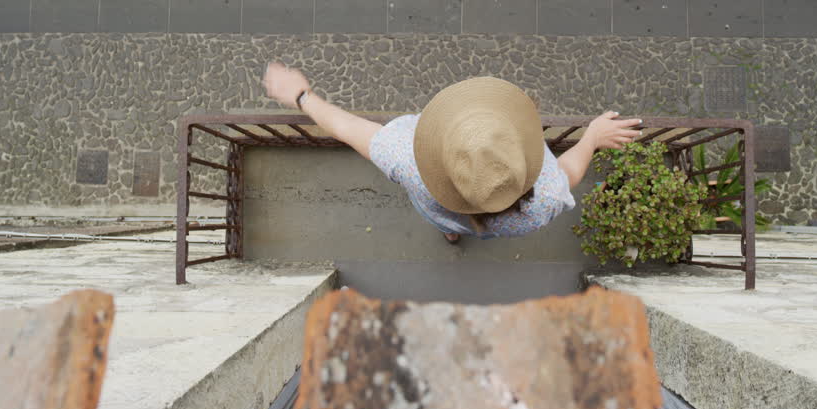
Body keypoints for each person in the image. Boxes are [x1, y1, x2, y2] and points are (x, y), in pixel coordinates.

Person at [262, 62, 642, 243]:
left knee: (446, 222)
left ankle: (450, 230)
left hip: (437, 208)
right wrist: (591, 138)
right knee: (464, 223)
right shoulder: (545, 199)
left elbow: (346, 128)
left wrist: (301, 96)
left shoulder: (407, 159)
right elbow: (569, 172)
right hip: (493, 225)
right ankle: (456, 229)